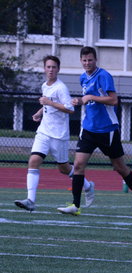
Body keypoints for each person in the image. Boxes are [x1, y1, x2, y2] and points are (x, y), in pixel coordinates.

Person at [58, 46, 132, 217]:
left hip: (107, 130)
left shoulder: (104, 75)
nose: (87, 63)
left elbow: (113, 100)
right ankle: (76, 205)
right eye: (84, 60)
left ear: (95, 60)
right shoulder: (83, 77)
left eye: (90, 60)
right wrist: (80, 101)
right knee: (78, 165)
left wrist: (91, 97)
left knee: (119, 167)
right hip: (88, 129)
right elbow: (88, 100)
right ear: (81, 61)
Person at [14, 55, 95, 212]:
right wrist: (40, 112)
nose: (51, 70)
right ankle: (30, 200)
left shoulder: (61, 88)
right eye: (48, 67)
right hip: (43, 132)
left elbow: (70, 109)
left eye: (54, 67)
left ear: (58, 69)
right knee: (33, 161)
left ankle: (87, 185)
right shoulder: (45, 85)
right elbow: (47, 105)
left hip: (59, 135)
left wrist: (49, 103)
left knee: (64, 168)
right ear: (44, 69)